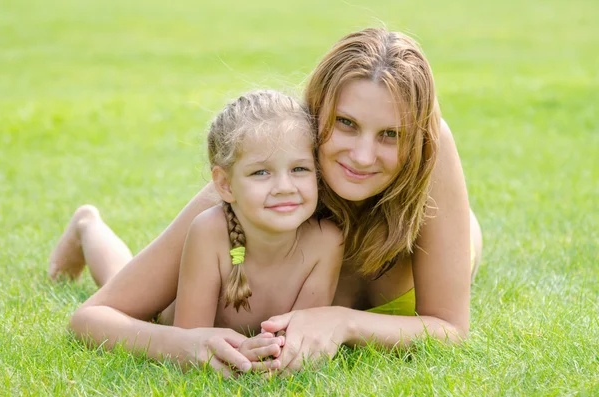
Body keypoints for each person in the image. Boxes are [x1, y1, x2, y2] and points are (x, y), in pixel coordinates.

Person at [54, 27, 482, 375]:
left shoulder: (431, 153)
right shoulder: (273, 176)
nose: (363, 156)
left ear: (417, 137)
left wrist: (343, 321)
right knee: (151, 302)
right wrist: (180, 344)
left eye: (390, 134)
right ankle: (89, 226)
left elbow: (449, 327)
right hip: (229, 274)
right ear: (316, 116)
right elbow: (100, 315)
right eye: (346, 124)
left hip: (439, 231)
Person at [52, 90, 343, 376]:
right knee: (120, 283)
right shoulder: (210, 231)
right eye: (261, 173)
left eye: (299, 169)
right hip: (166, 315)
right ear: (225, 185)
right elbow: (190, 339)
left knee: (120, 272)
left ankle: (87, 225)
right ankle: (87, 224)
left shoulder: (326, 242)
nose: (284, 187)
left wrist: (267, 350)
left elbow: (300, 339)